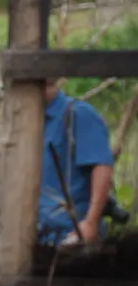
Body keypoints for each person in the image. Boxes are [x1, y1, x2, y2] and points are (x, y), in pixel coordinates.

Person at [39, 78, 115, 246]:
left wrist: (90, 223)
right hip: (37, 237)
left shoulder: (77, 114)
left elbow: (101, 166)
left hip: (70, 236)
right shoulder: (30, 122)